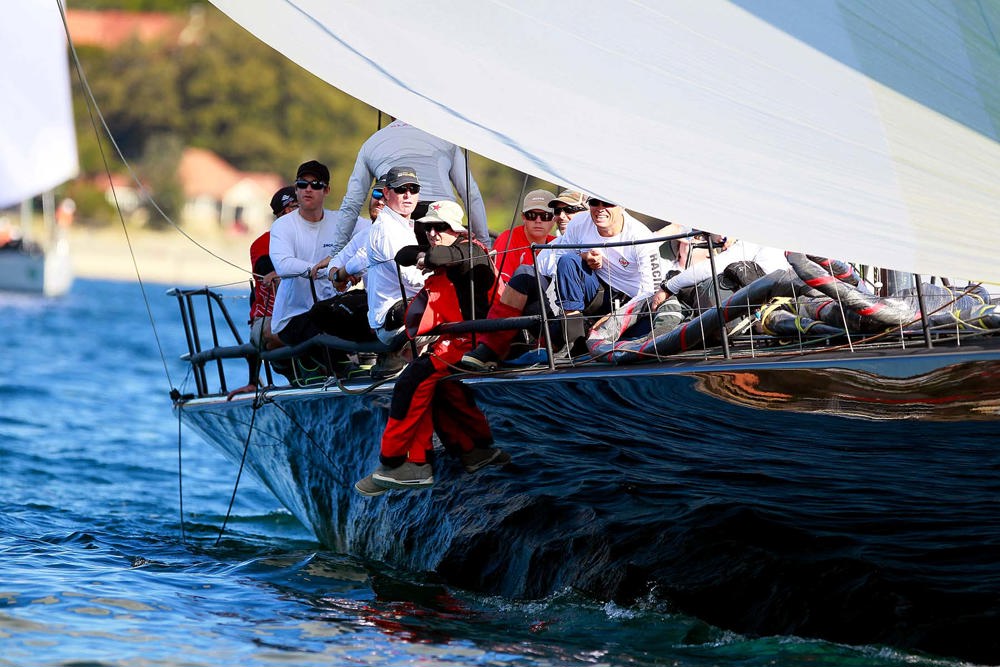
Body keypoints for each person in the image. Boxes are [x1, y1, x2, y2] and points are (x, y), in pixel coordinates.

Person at [355, 201, 509, 496]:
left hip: (474, 343)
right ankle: (474, 450)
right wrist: (422, 254)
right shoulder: (440, 253)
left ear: (457, 230)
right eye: (428, 227)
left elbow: (441, 255)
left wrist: (425, 256)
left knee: (410, 383)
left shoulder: (471, 251)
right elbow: (404, 254)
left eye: (441, 227)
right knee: (439, 390)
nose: (434, 233)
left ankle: (397, 462)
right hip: (453, 342)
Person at [461, 197, 662, 368]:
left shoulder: (641, 236)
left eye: (608, 203)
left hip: (625, 301)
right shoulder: (579, 224)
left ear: (623, 206)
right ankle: (492, 348)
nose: (600, 209)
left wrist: (614, 317)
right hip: (585, 291)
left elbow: (650, 291)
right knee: (526, 273)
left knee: (563, 264)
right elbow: (554, 259)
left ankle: (561, 343)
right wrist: (583, 255)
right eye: (594, 202)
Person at [329, 119, 490, 256]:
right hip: (442, 220)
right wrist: (485, 246)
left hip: (399, 215)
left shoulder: (372, 143)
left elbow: (352, 203)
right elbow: (471, 194)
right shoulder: (445, 138)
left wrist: (335, 254)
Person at [269, 160, 351, 378]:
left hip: (329, 311)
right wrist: (323, 268)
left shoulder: (341, 222)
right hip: (292, 318)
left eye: (315, 185)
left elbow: (371, 237)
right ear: (296, 189)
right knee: (321, 328)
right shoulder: (282, 225)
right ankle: (324, 370)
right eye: (302, 184)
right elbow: (283, 264)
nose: (308, 189)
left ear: (326, 190)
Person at [226, 185, 298, 399]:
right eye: (298, 205)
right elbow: (266, 272)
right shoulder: (262, 244)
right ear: (286, 212)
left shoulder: (319, 236)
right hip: (269, 317)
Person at [365, 166, 427, 347]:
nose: (408, 195)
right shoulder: (388, 229)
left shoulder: (400, 223)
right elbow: (411, 277)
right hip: (393, 322)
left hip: (406, 311)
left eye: (413, 189)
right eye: (401, 189)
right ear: (386, 192)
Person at [493, 189, 557, 282]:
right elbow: (501, 286)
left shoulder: (557, 243)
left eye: (545, 216)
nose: (538, 221)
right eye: (531, 215)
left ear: (554, 219)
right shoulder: (507, 239)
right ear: (523, 217)